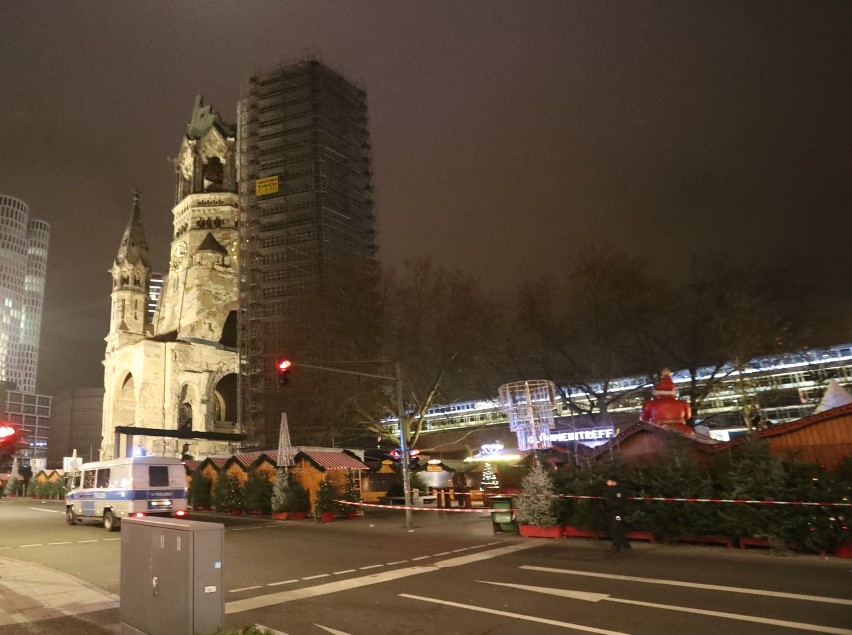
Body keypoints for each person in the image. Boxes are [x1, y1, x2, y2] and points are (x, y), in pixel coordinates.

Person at [603, 477, 631, 552]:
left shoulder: (619, 490)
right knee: (618, 528)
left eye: (608, 481)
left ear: (613, 481)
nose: (607, 483)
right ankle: (625, 544)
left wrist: (609, 505)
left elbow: (619, 502)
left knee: (616, 528)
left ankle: (616, 545)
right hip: (612, 512)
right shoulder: (610, 490)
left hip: (617, 512)